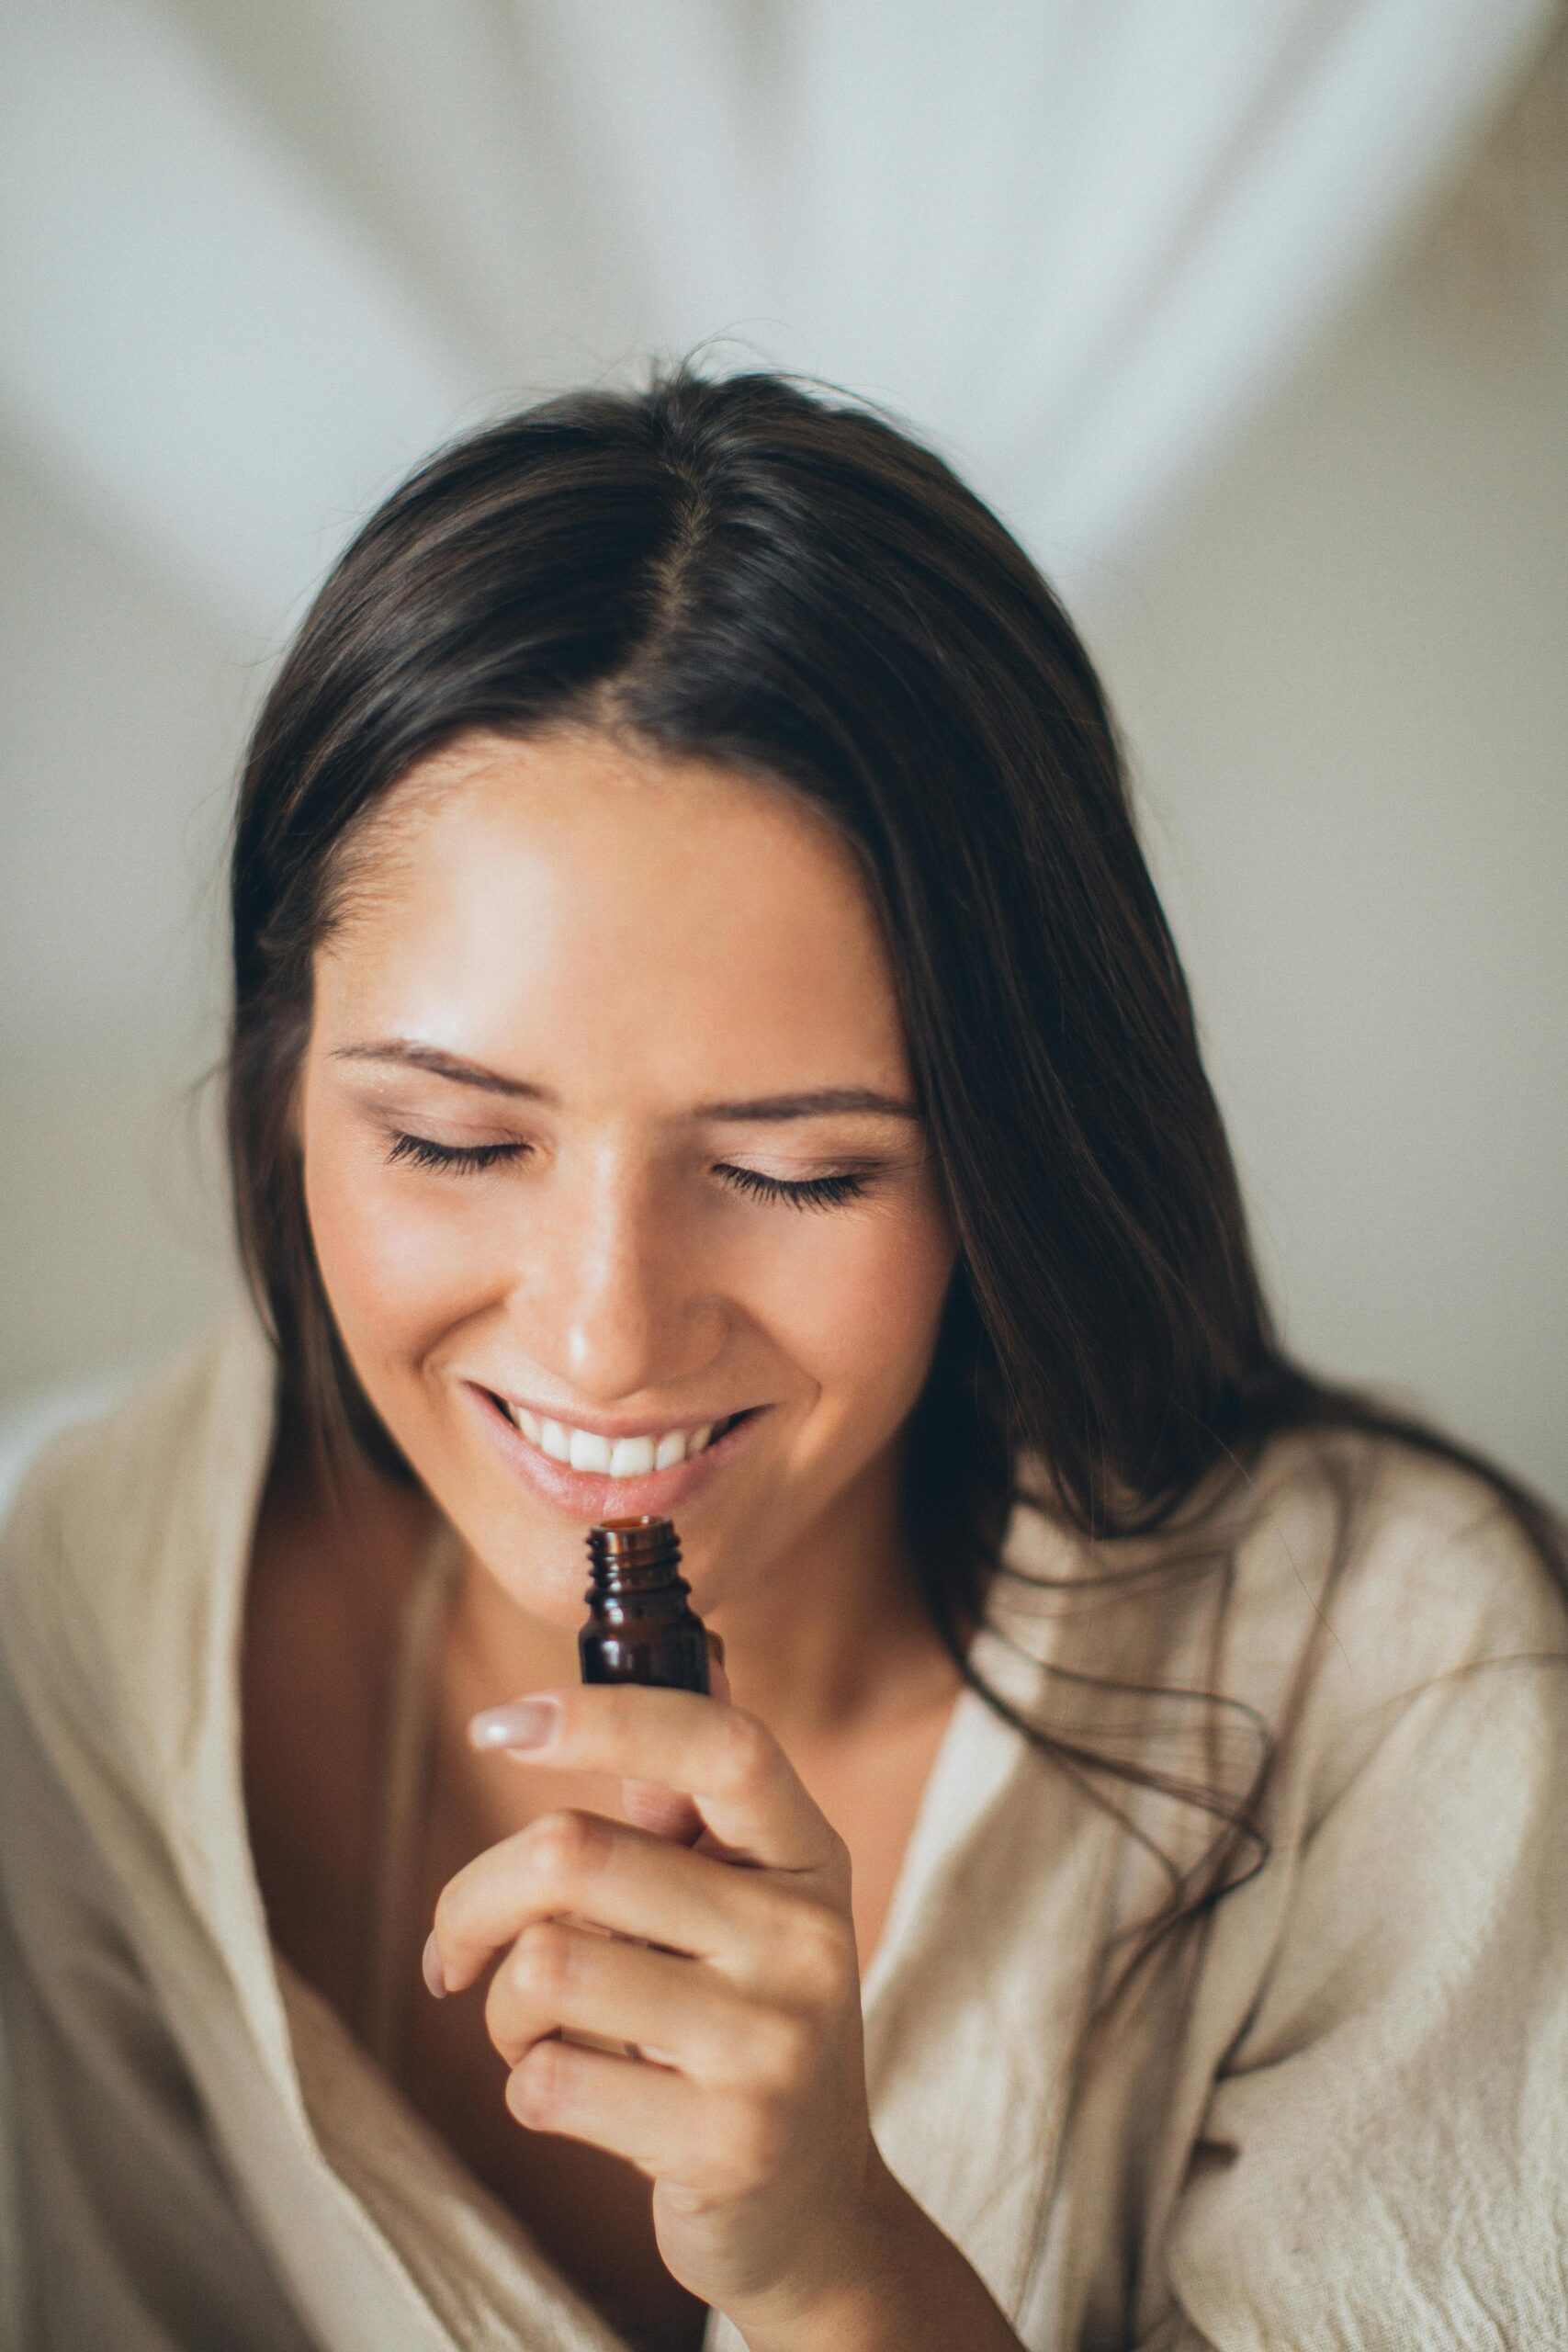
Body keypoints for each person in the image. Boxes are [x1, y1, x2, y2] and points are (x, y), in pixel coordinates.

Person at [1, 363, 1564, 2352]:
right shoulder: (99, 1617)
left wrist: (838, 2267)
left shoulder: (1395, 1691)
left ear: (1011, 1146)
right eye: (454, 1141)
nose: (601, 1331)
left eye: (794, 1170)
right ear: (285, 1070)